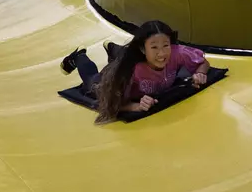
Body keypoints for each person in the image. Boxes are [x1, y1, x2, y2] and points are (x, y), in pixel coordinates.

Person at [61, 20, 210, 125]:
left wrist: (200, 73)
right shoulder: (133, 70)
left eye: (166, 45)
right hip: (107, 82)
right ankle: (79, 56)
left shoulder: (177, 53)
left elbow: (203, 62)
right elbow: (111, 104)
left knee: (126, 56)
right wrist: (136, 106)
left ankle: (112, 47)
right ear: (143, 49)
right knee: (91, 81)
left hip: (131, 60)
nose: (162, 53)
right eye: (154, 47)